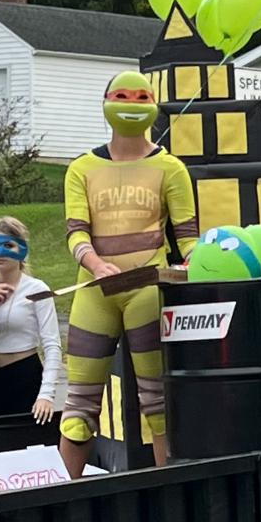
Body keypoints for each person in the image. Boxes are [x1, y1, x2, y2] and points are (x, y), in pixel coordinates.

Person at [59, 70, 198, 477]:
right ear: (106, 104)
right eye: (123, 95)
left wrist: (196, 263)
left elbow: (187, 236)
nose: (132, 104)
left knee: (157, 403)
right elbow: (76, 231)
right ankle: (61, 503)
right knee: (79, 405)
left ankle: (170, 497)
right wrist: (96, 264)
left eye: (142, 97)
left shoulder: (170, 167)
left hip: (147, 289)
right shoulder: (81, 167)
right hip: (95, 290)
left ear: (154, 105)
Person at [0, 215, 63, 428]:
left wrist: (46, 394)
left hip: (24, 373)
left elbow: (52, 344)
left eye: (8, 245)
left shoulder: (36, 290)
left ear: (22, 249)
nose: (0, 252)